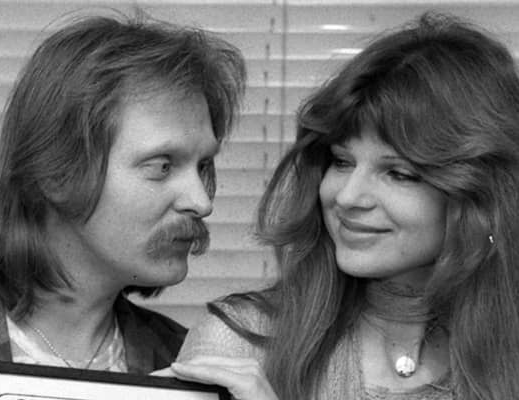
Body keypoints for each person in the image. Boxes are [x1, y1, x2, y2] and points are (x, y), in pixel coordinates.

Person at [159, 12, 519, 400]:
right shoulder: (240, 344)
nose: (347, 197)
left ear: (480, 195)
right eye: (342, 162)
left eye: (397, 173)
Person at [0, 11, 245, 373]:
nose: (201, 202)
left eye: (203, 166)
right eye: (163, 166)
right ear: (56, 173)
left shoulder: (186, 370)